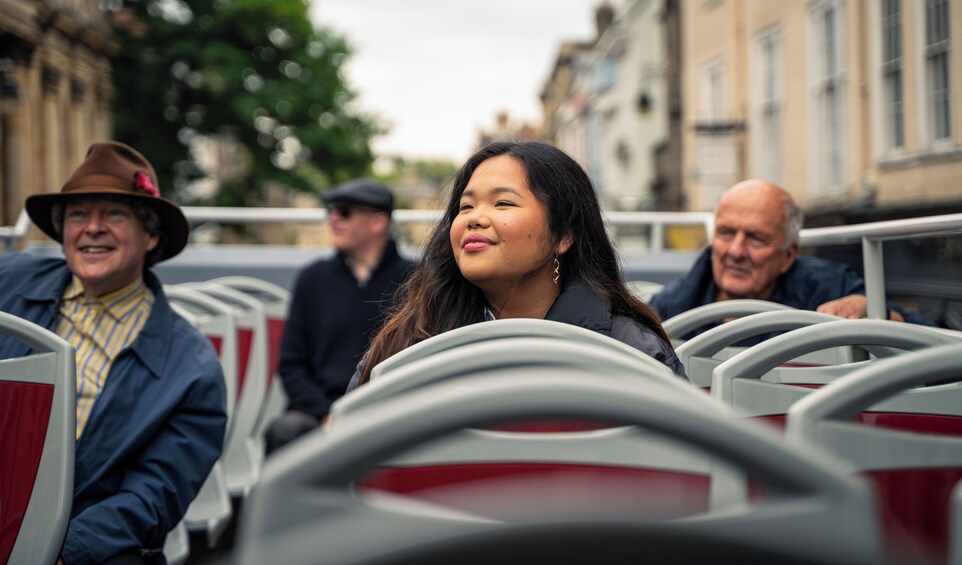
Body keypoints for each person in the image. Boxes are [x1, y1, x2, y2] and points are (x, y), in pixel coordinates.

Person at [0, 141, 227, 565]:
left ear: (151, 235)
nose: (92, 228)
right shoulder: (8, 280)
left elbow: (153, 495)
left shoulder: (190, 365)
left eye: (114, 214)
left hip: (78, 534)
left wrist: (61, 551)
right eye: (78, 214)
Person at [347, 140, 685, 391]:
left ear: (562, 236)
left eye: (503, 203)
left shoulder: (631, 352)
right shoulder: (409, 340)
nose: (475, 218)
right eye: (465, 207)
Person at [649, 178, 933, 342]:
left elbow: (932, 344)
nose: (735, 251)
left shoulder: (828, 288)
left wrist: (875, 311)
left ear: (789, 255)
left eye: (755, 238)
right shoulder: (670, 308)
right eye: (725, 233)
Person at [265, 178, 413, 453]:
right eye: (331, 211)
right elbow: (292, 364)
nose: (333, 219)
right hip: (320, 415)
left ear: (377, 222)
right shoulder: (312, 279)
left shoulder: (416, 280)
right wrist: (325, 413)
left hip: (391, 411)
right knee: (284, 431)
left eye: (345, 212)